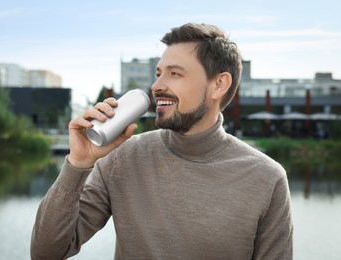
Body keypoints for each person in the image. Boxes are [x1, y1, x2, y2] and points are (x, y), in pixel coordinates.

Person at [31, 23, 293, 259]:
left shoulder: (267, 178)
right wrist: (77, 163)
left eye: (175, 74)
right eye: (158, 73)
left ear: (219, 85)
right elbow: (46, 253)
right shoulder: (121, 157)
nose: (157, 86)